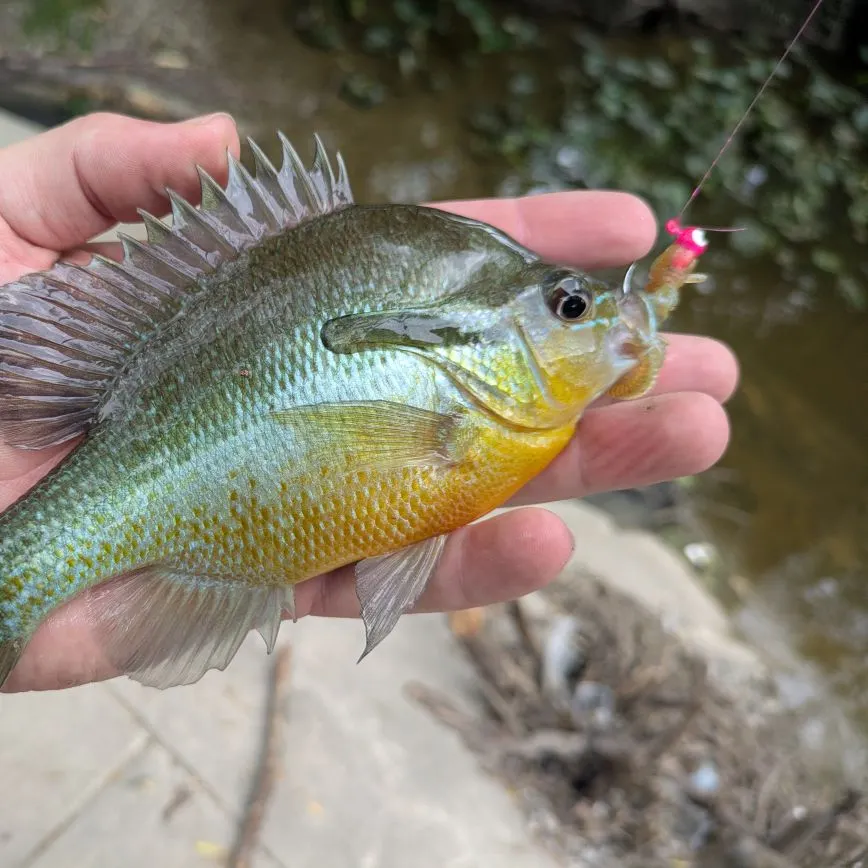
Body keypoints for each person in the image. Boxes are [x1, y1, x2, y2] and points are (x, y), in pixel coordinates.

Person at [0, 112, 738, 692]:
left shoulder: (495, 421)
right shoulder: (476, 426)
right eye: (571, 307)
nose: (603, 320)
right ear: (469, 333)